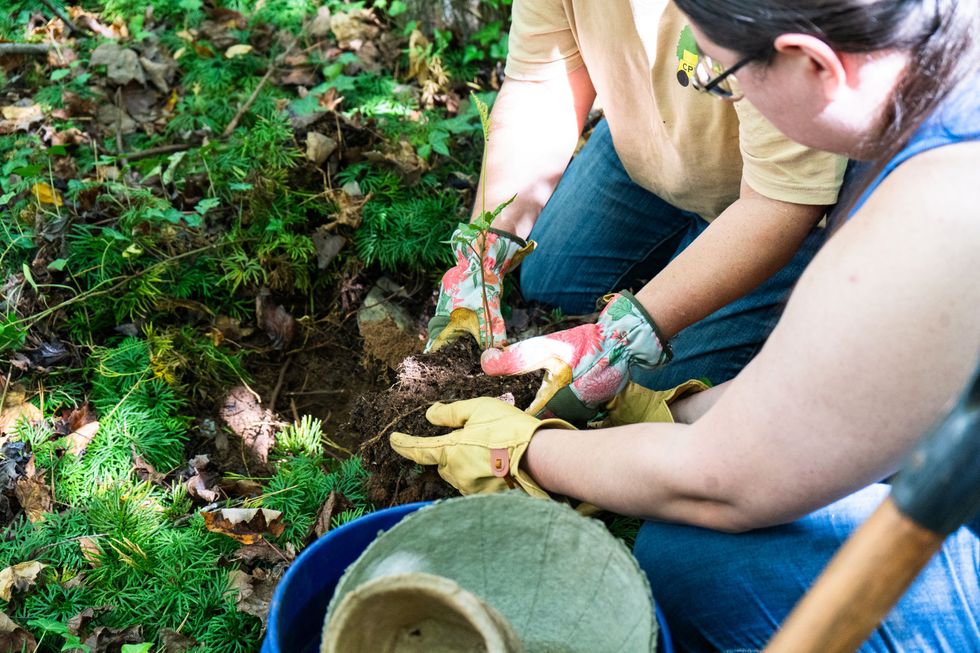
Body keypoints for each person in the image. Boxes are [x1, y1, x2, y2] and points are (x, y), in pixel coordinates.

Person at [392, 0, 980, 650]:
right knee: (565, 290)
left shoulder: (937, 219)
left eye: (722, 77)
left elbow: (729, 482)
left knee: (682, 554)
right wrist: (665, 412)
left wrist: (525, 451)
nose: (720, 95)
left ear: (813, 63)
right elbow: (844, 394)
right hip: (956, 434)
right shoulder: (935, 76)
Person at [426, 0, 845, 421]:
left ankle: (777, 285)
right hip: (651, 136)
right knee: (548, 278)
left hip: (780, 201)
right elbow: (542, 83)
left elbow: (786, 197)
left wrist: (620, 337)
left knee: (650, 389)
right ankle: (689, 245)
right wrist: (485, 247)